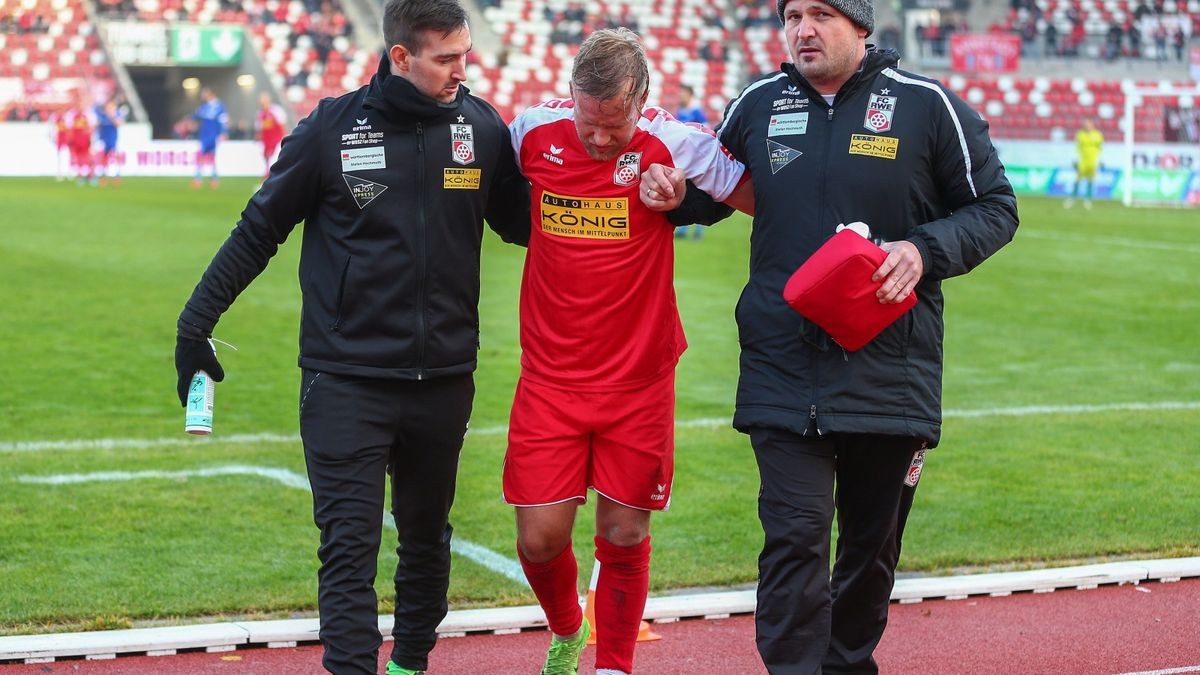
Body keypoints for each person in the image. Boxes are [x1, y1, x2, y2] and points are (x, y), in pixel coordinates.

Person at [650, 0, 1018, 671]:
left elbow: (995, 206)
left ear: (860, 26)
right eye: (792, 15)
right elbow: (711, 192)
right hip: (783, 365)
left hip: (890, 369)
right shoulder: (759, 102)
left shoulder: (927, 105)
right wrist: (669, 188)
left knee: (870, 552)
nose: (803, 29)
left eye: (821, 14)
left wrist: (924, 249)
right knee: (793, 537)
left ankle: (848, 663)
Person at [172, 1, 532, 673]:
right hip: (344, 380)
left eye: (466, 55)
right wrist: (196, 324)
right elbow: (258, 230)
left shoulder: (481, 128)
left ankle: (410, 663)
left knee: (427, 542)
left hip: (444, 379)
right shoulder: (331, 130)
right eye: (447, 59)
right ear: (402, 57)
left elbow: (526, 224)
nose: (463, 71)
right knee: (348, 547)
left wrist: (626, 198)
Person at [505, 27, 750, 675]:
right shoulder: (530, 131)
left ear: (640, 100)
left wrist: (685, 204)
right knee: (540, 535)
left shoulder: (674, 140)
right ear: (571, 98)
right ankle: (566, 628)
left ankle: (614, 664)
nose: (597, 138)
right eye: (588, 121)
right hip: (550, 378)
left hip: (638, 378)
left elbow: (751, 195)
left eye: (612, 125)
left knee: (623, 532)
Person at [672, 84, 709, 240]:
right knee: (683, 191)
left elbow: (706, 132)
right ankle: (682, 229)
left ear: (690, 95)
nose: (681, 96)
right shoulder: (680, 112)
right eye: (680, 93)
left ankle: (699, 229)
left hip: (695, 159)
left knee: (699, 191)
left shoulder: (697, 112)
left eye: (683, 93)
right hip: (682, 158)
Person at [191, 87, 227, 188]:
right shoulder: (204, 106)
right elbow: (196, 115)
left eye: (204, 94)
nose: (203, 96)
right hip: (204, 134)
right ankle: (199, 178)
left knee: (212, 156)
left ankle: (213, 178)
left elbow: (223, 119)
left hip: (213, 134)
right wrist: (189, 119)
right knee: (202, 155)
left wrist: (224, 132)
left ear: (210, 94)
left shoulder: (219, 106)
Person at [1066, 118, 1103, 209]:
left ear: (1092, 125)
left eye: (1089, 124)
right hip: (1083, 161)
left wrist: (1099, 160)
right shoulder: (1080, 134)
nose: (1087, 126)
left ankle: (1088, 200)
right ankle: (1072, 198)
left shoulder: (1098, 134)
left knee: (1090, 180)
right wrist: (1075, 159)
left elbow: (1100, 148)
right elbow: (1077, 147)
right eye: (1086, 124)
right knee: (1077, 179)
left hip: (1093, 161)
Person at [255, 91, 287, 182]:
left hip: (276, 139)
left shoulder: (276, 110)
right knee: (266, 157)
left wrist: (284, 136)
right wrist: (258, 139)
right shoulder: (260, 113)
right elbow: (259, 128)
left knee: (274, 158)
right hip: (266, 140)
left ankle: (270, 177)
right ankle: (268, 176)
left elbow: (282, 124)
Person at [93, 97, 124, 187]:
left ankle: (116, 176)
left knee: (114, 159)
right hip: (103, 140)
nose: (109, 108)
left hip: (113, 140)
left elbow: (119, 124)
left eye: (111, 107)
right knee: (103, 160)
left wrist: (112, 116)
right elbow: (96, 126)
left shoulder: (116, 115)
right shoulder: (102, 115)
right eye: (108, 107)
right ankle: (103, 177)